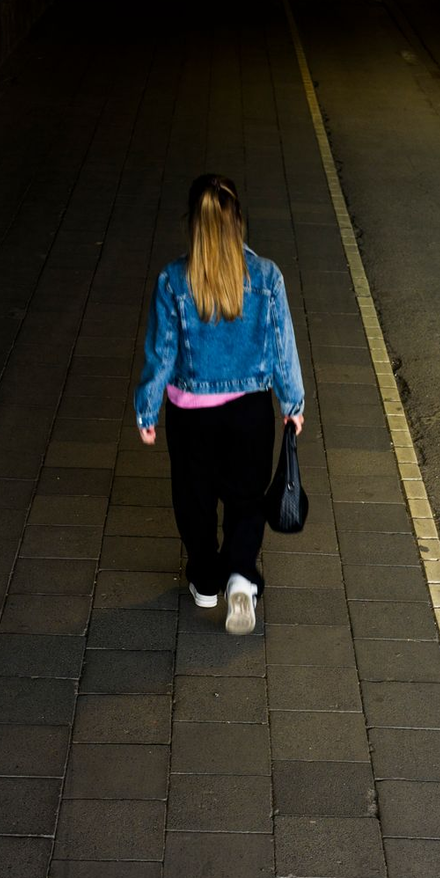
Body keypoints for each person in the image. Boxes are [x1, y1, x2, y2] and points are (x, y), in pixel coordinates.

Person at [134, 174, 305, 635]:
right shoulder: (267, 277)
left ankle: (206, 579)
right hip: (249, 412)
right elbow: (281, 345)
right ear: (239, 223)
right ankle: (241, 578)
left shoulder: (173, 281)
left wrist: (147, 410)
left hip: (191, 415)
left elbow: (161, 352)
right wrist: (293, 402)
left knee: (194, 498)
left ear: (193, 225)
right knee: (246, 497)